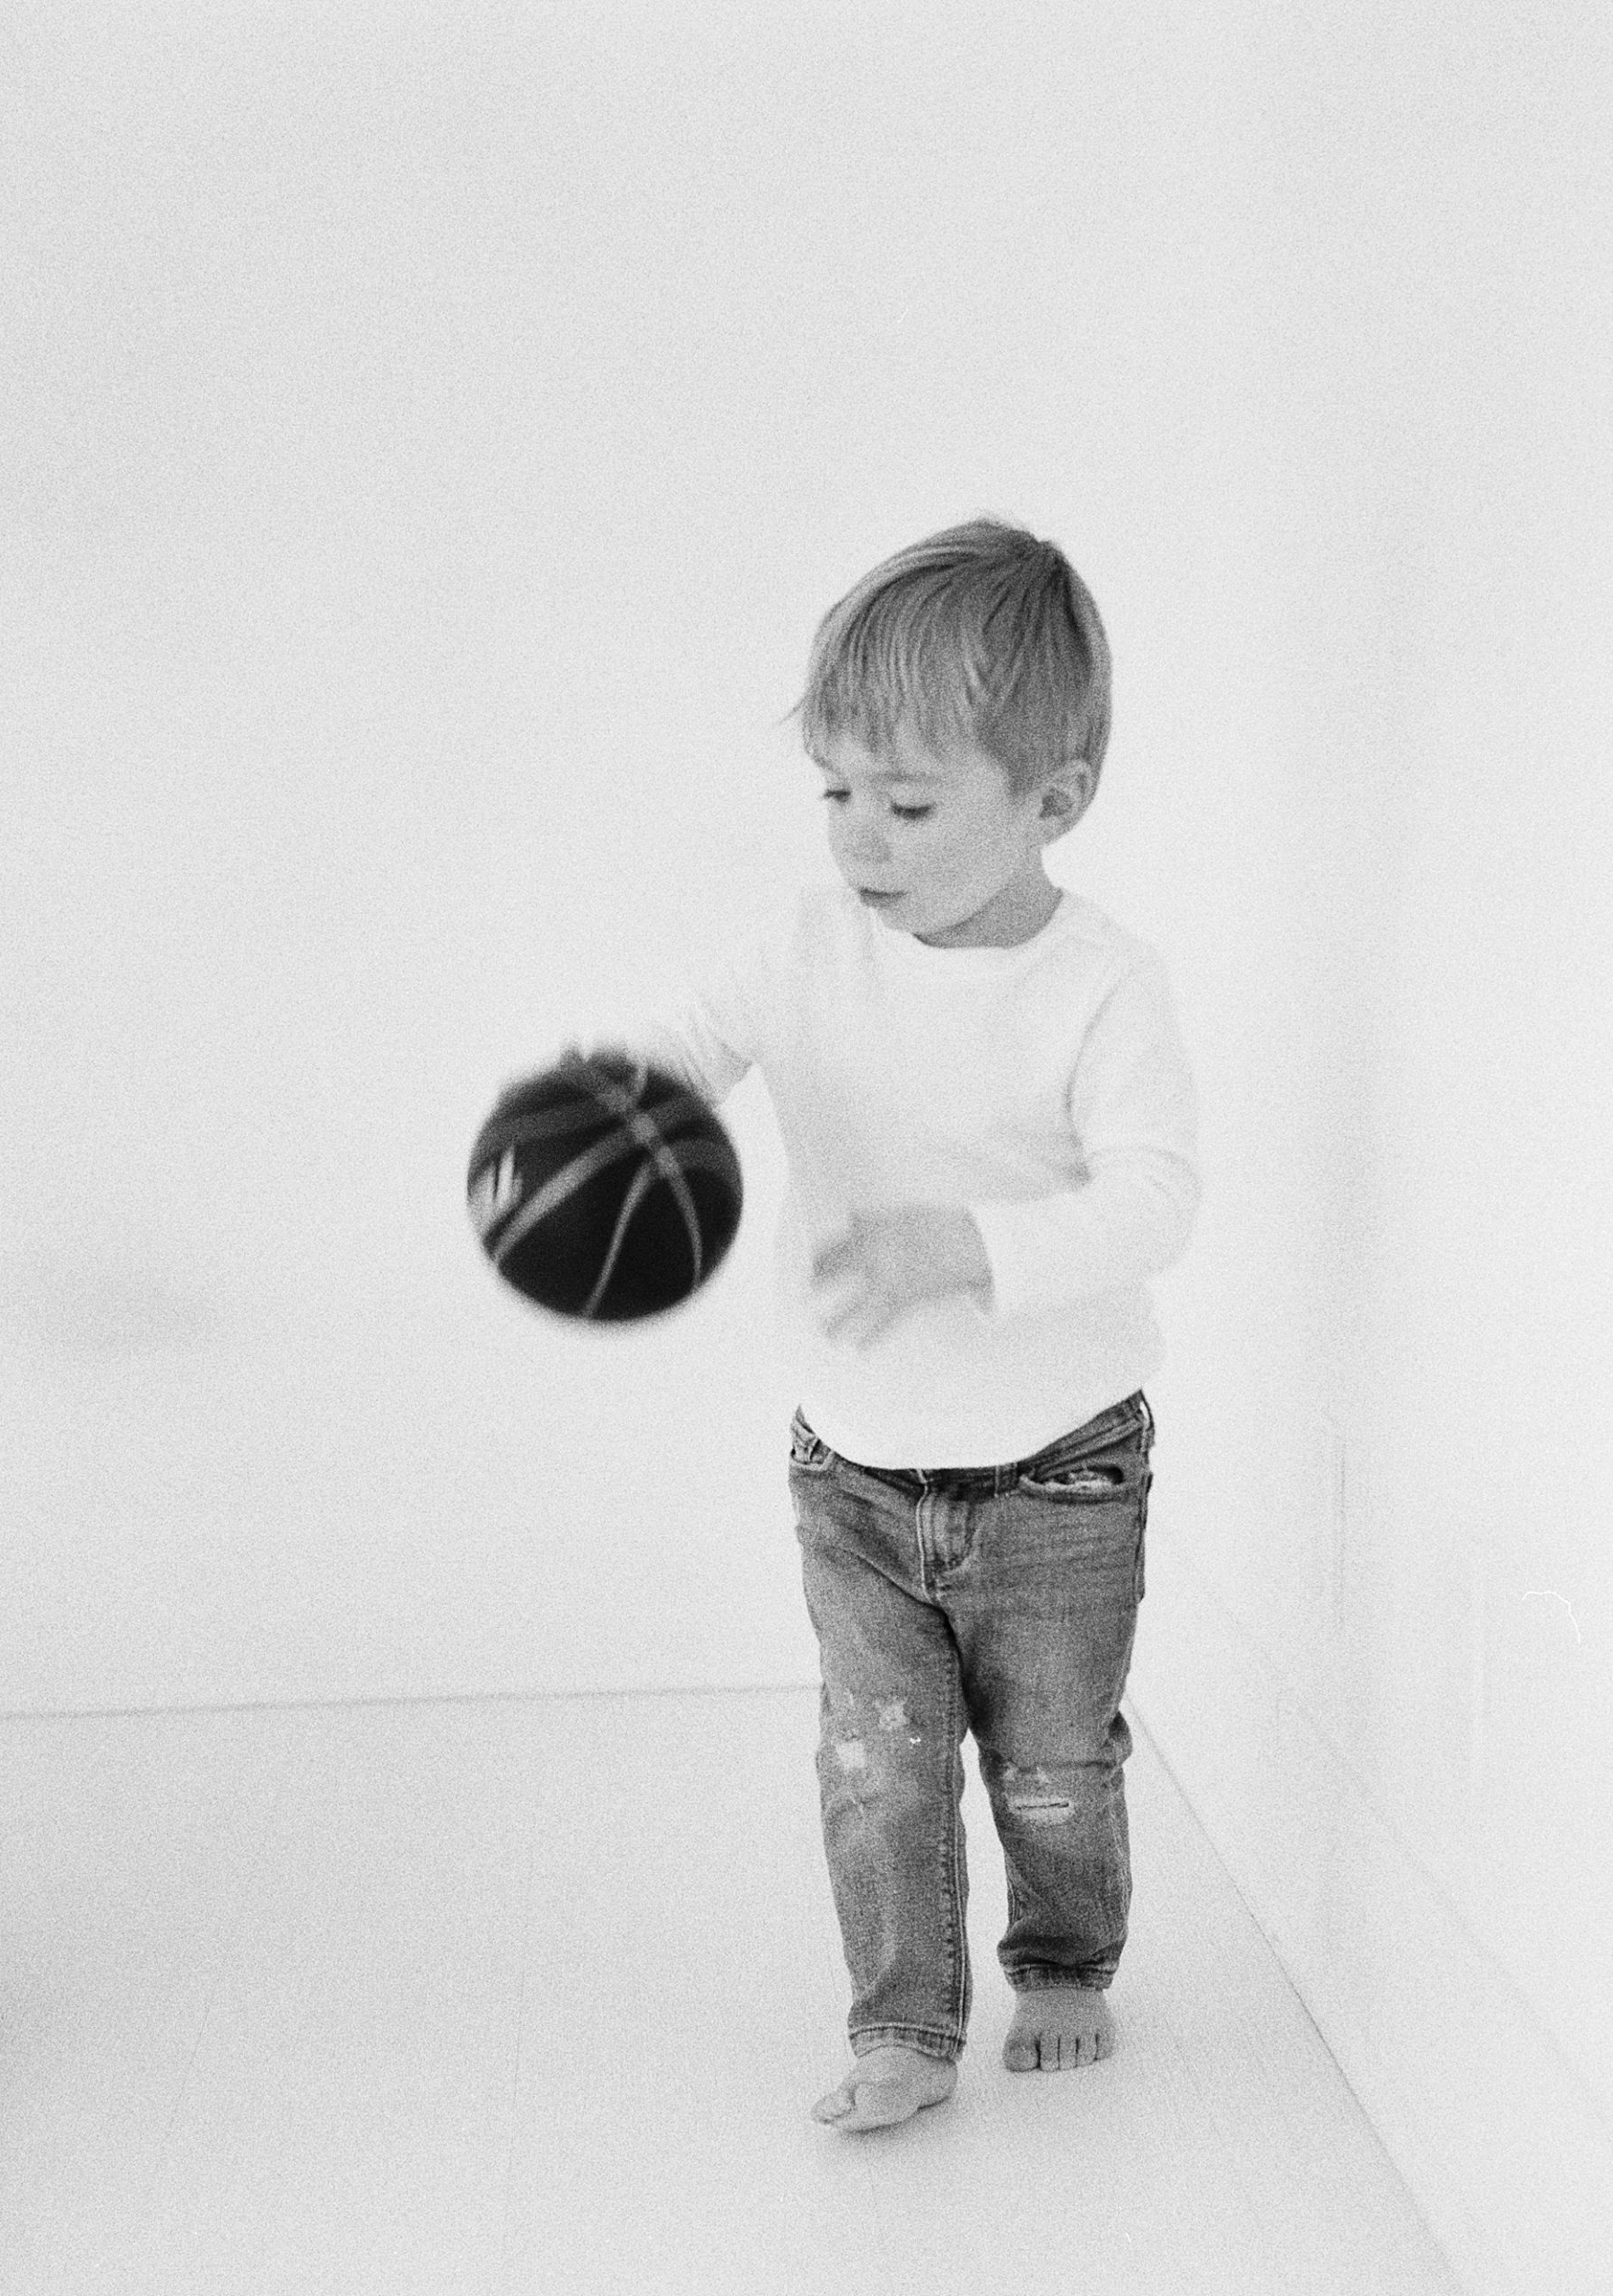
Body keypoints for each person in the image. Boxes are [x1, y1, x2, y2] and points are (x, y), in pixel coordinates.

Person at [583, 517, 1200, 2132]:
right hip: (851, 1467)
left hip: (1061, 1469)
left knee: (1054, 1763)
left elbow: (1157, 1205)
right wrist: (610, 1111)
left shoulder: (1104, 986)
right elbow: (687, 1040)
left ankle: (1063, 1959)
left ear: (1054, 799)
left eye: (910, 801)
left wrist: (973, 1248)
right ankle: (903, 2029)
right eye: (838, 789)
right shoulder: (804, 946)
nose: (861, 833)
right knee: (878, 1766)